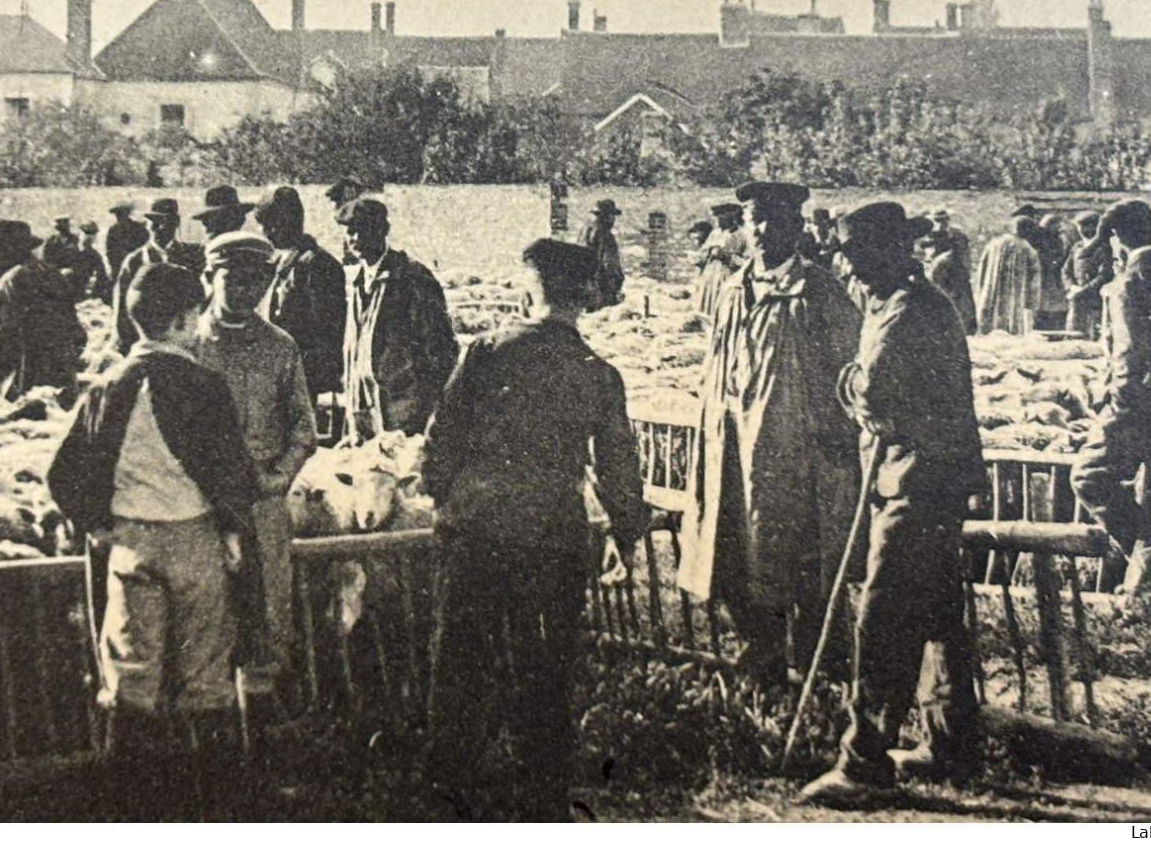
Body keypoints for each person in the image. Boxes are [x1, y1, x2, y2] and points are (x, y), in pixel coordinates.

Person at [422, 238, 649, 821]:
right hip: (550, 537)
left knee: (460, 665)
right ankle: (541, 802)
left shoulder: (487, 350)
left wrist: (449, 501)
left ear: (531, 288)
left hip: (474, 532)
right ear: (585, 298)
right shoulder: (598, 373)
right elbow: (620, 467)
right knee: (544, 671)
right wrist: (626, 532)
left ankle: (447, 795)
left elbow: (440, 443)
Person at [799, 202, 985, 805]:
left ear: (886, 251)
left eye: (853, 252)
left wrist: (850, 382)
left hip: (917, 482)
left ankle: (864, 762)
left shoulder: (909, 310)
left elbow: (871, 389)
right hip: (923, 478)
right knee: (936, 613)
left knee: (882, 616)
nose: (845, 263)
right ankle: (952, 742)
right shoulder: (897, 302)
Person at [47, 262, 256, 799]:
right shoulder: (204, 386)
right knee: (206, 668)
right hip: (195, 542)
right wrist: (234, 533)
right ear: (188, 320)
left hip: (130, 546)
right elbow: (232, 471)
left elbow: (63, 473)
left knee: (131, 672)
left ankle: (130, 798)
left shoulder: (106, 386)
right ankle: (216, 798)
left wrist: (97, 525)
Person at [677, 180, 861, 686]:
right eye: (755, 220)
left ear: (797, 228)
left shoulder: (820, 292)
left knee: (800, 565)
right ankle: (762, 656)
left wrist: (830, 446)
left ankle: (820, 670)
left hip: (795, 458)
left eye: (775, 221)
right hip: (733, 448)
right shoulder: (733, 288)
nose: (762, 231)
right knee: (733, 553)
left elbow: (850, 378)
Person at [194, 231, 316, 688]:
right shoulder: (190, 346)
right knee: (206, 612)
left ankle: (263, 725)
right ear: (209, 277)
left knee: (268, 615)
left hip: (263, 505)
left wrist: (279, 476)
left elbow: (304, 427)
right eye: (235, 280)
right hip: (202, 504)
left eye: (257, 283)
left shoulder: (280, 347)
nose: (246, 292)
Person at [1071, 200, 1151, 620]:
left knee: (1089, 477)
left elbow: (1129, 359)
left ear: (1114, 238)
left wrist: (1116, 412)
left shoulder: (1129, 283)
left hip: (1137, 411)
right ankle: (1150, 594)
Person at [338, 196, 458, 442]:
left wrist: (426, 409)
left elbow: (441, 351)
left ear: (383, 230)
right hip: (365, 415)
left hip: (404, 418)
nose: (356, 239)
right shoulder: (358, 281)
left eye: (364, 230)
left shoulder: (410, 278)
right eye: (351, 231)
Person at [0, 220, 88, 404]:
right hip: (62, 377)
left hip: (24, 379)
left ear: (8, 249)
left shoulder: (12, 280)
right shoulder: (54, 275)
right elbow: (78, 333)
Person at [254, 187, 346, 403]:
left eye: (266, 225)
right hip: (273, 375)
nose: (262, 232)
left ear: (280, 225)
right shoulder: (279, 262)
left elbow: (326, 331)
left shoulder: (317, 265)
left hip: (299, 379)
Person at [113, 198, 202, 355]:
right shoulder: (135, 260)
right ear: (147, 224)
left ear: (176, 224)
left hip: (183, 341)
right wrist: (125, 343)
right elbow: (122, 307)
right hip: (146, 341)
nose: (158, 228)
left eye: (165, 222)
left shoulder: (192, 256)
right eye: (153, 222)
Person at [975, 217, 1042, 336]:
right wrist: (1032, 302)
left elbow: (981, 270)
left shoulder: (993, 244)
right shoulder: (1027, 249)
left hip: (991, 292)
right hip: (1015, 296)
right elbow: (1034, 280)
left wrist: (980, 289)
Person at [1061, 211, 1113, 340]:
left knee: (1094, 330)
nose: (1081, 230)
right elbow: (1065, 270)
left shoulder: (1102, 248)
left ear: (1094, 227)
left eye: (1085, 226)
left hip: (1094, 297)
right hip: (1076, 296)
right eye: (1080, 226)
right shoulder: (1076, 247)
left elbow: (1104, 276)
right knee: (1074, 330)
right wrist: (1072, 287)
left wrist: (1083, 291)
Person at [924, 231, 977, 337]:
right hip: (956, 299)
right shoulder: (949, 257)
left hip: (952, 299)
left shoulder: (943, 260)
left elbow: (934, 282)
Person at [576, 197, 625, 309]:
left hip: (584, 287)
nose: (614, 220)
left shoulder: (584, 230)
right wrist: (616, 286)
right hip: (601, 290)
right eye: (612, 216)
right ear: (607, 216)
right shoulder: (605, 235)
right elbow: (611, 265)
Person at [1034, 213, 1069, 330]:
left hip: (1055, 275)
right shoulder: (1040, 240)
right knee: (1044, 302)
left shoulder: (1059, 240)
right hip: (1045, 275)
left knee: (1055, 301)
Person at [105, 202, 150, 284]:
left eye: (120, 214)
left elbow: (146, 247)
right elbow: (109, 250)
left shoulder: (139, 229)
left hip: (136, 267)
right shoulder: (113, 229)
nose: (118, 217)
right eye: (117, 214)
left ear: (127, 213)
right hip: (118, 267)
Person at [74, 220, 111, 303]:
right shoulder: (71, 251)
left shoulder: (94, 255)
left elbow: (101, 275)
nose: (88, 237)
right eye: (86, 233)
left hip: (85, 292)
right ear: (80, 234)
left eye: (92, 234)